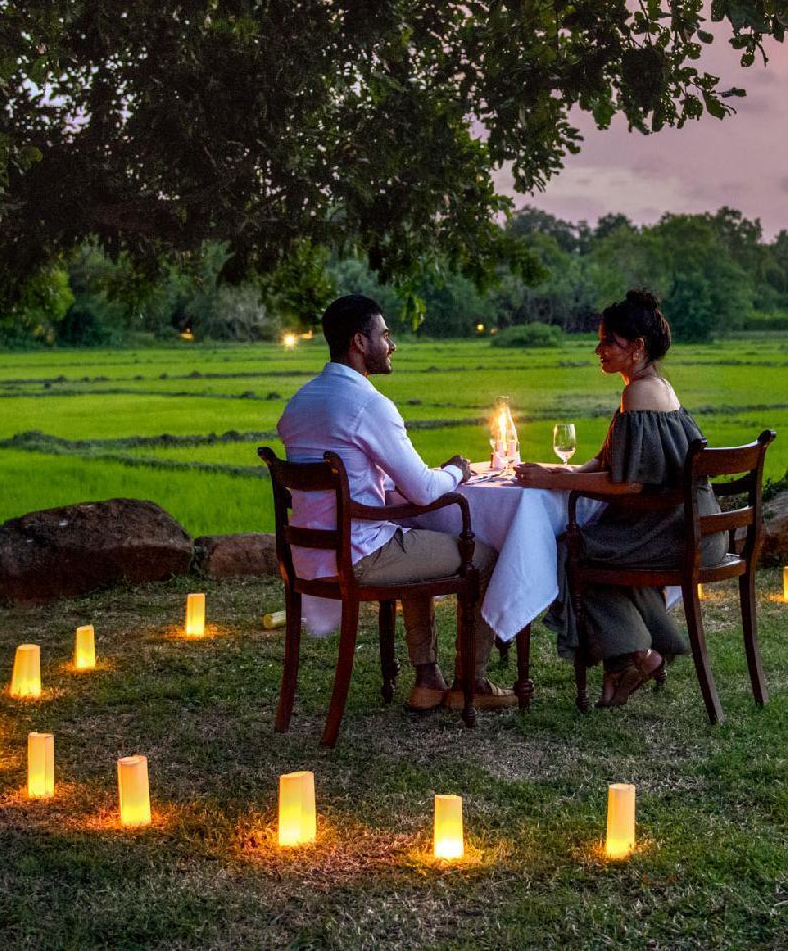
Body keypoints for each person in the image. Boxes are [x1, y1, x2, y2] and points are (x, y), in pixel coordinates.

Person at [276, 294, 516, 712]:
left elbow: (359, 481)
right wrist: (458, 470)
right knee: (488, 555)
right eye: (385, 335)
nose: (392, 345)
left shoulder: (301, 402)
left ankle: (427, 679)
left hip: (311, 556)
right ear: (358, 342)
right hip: (359, 554)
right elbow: (424, 490)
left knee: (415, 537)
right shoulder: (368, 404)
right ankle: (471, 682)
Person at [513, 289, 724, 708]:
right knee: (593, 545)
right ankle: (630, 659)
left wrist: (558, 484)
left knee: (575, 550)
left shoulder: (639, 395)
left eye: (609, 341)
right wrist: (560, 471)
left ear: (637, 347)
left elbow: (628, 485)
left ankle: (635, 657)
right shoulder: (654, 385)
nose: (599, 349)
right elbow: (611, 462)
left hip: (680, 532)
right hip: (693, 525)